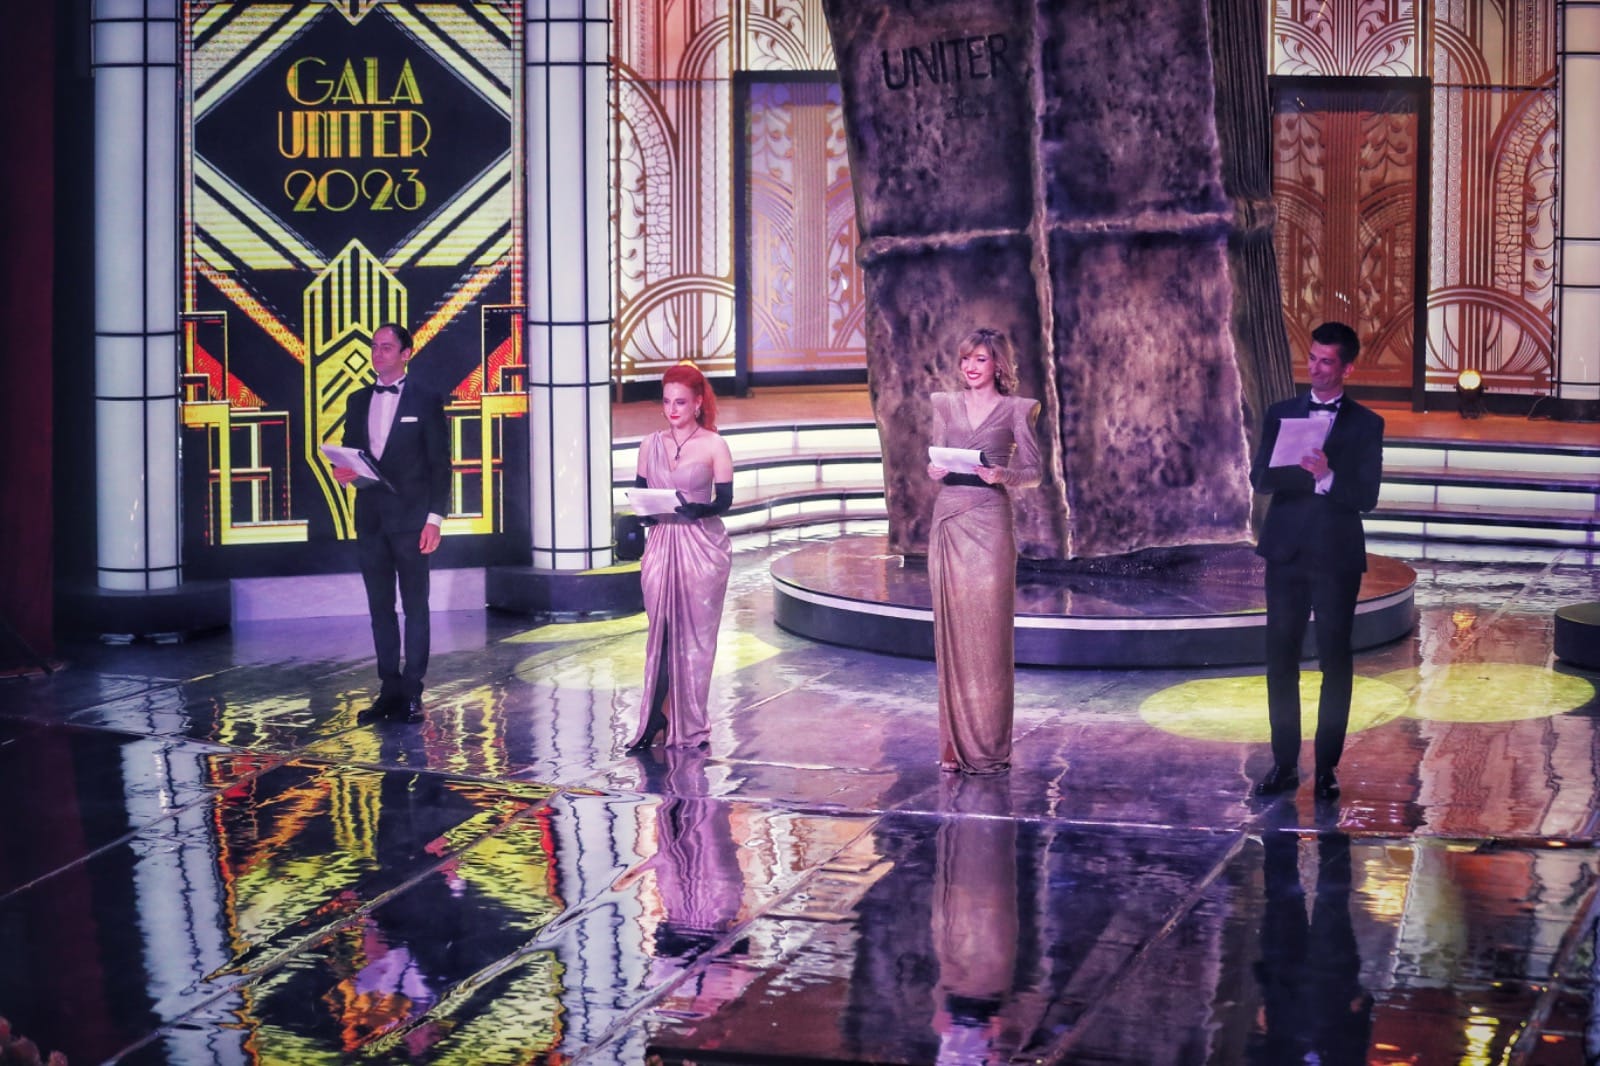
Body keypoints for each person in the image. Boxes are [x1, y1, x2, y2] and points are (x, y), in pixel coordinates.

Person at [1250, 320, 1384, 799]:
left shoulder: (1367, 424)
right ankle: (1284, 764)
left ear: (1347, 368)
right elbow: (1260, 479)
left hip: (1335, 555)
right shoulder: (1281, 412)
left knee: (1335, 660)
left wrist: (1327, 476)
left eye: (1327, 361)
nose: (1316, 368)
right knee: (1280, 659)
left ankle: (1327, 767)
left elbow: (1367, 496)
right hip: (1285, 551)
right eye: (1312, 358)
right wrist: (1294, 470)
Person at [924, 327, 1041, 774]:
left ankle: (989, 745)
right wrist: (933, 469)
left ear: (997, 365)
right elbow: (935, 455)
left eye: (980, 359)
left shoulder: (1018, 410)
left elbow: (1034, 471)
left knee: (989, 635)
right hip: (949, 518)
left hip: (990, 522)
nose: (970, 367)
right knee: (951, 630)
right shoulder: (945, 405)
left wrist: (1002, 476)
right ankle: (952, 745)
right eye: (966, 359)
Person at [330, 323, 449, 724]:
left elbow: (440, 465)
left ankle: (413, 691)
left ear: (405, 354)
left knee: (415, 607)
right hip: (371, 520)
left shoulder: (426, 399)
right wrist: (344, 472)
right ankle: (389, 689)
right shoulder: (357, 399)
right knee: (380, 608)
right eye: (374, 346)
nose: (377, 353)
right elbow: (352, 454)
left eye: (386, 347)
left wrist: (434, 520)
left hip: (413, 521)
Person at [629, 363, 734, 752]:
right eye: (667, 402)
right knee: (660, 632)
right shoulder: (649, 444)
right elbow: (641, 492)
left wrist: (700, 510)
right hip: (661, 544)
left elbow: (724, 500)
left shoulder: (714, 445)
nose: (672, 410)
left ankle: (688, 721)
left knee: (695, 641)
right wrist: (643, 514)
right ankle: (656, 716)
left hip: (701, 547)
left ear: (698, 403)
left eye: (680, 402)